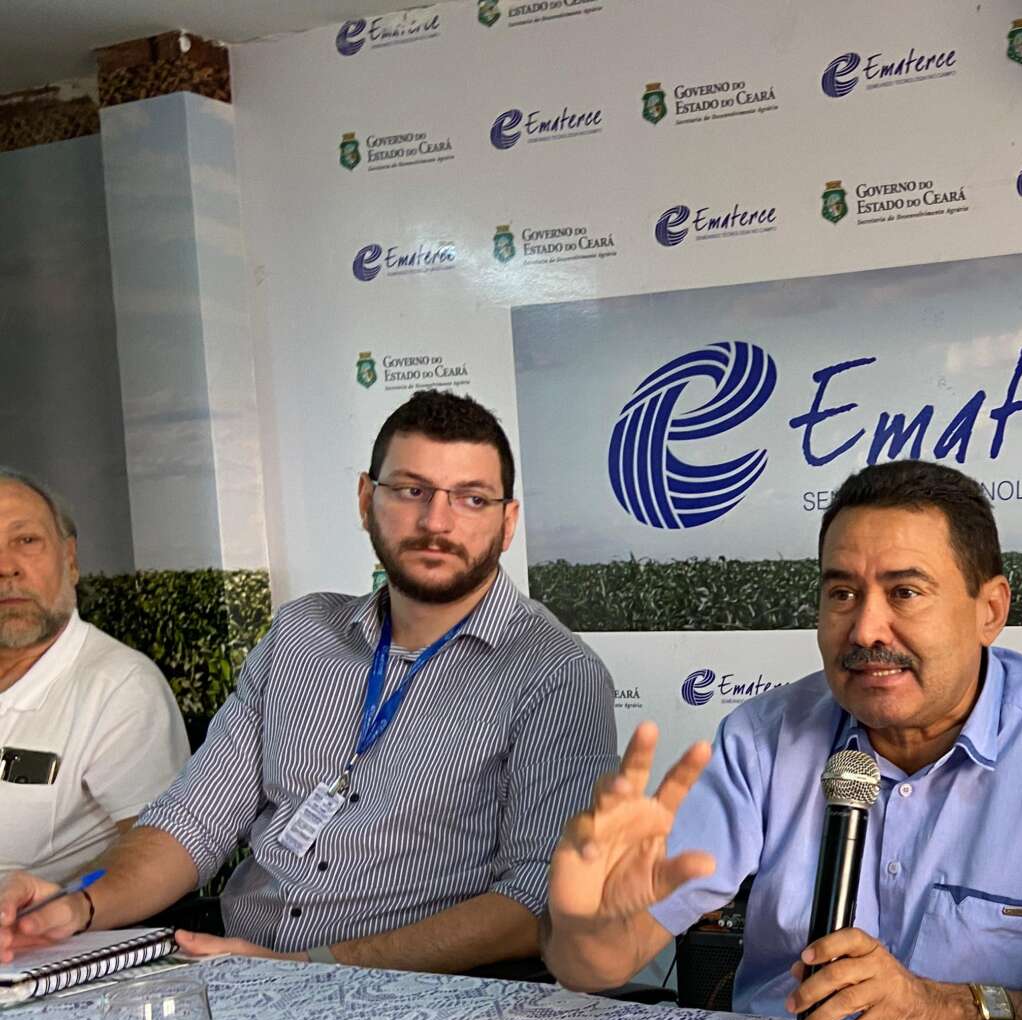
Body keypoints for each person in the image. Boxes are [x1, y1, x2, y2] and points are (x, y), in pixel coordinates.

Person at [544, 459, 1022, 1020]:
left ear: (989, 610)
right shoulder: (762, 739)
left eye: (905, 592)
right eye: (842, 593)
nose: (866, 629)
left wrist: (945, 1005)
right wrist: (588, 921)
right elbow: (595, 962)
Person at [0, 391, 616, 974]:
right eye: (410, 490)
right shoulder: (301, 633)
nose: (437, 521)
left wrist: (311, 969)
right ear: (364, 500)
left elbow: (541, 899)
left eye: (472, 499)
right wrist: (76, 903)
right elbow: (190, 821)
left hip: (424, 998)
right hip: (241, 971)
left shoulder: (555, 674)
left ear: (508, 523)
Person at [0, 469, 188, 882]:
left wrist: (62, 906)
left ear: (70, 560)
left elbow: (163, 865)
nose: (6, 567)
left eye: (26, 540)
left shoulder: (120, 688)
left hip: (41, 942)